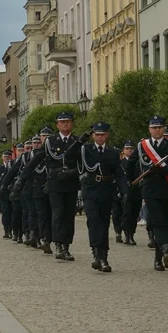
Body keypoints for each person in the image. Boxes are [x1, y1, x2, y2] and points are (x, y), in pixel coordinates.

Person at [67, 121, 128, 271]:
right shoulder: (85, 150)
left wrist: (125, 191)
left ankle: (104, 256)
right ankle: (96, 254)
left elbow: (119, 174)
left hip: (106, 189)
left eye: (102, 135)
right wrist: (80, 140)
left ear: (107, 136)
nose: (99, 137)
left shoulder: (113, 152)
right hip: (90, 189)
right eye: (97, 135)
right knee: (93, 220)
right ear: (93, 135)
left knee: (104, 222)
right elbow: (68, 157)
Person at [128, 116, 168, 272]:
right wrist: (132, 183)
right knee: (157, 221)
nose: (157, 130)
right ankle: (163, 251)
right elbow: (131, 165)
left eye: (160, 127)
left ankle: (163, 253)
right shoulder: (142, 146)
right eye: (154, 127)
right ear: (149, 129)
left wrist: (165, 170)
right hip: (150, 188)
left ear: (164, 129)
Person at [43, 112, 80, 260]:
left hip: (70, 182)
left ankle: (66, 245)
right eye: (62, 122)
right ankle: (58, 244)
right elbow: (46, 160)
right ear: (57, 125)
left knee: (69, 215)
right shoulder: (51, 141)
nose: (65, 124)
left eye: (68, 121)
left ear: (72, 124)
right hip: (56, 182)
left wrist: (72, 172)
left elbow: (81, 163)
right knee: (58, 213)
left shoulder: (77, 141)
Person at [118, 141, 140, 245]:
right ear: (123, 151)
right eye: (127, 148)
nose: (129, 150)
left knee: (135, 213)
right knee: (127, 213)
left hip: (136, 189)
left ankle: (132, 233)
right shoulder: (120, 163)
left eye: (131, 148)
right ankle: (127, 234)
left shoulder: (138, 162)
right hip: (125, 190)